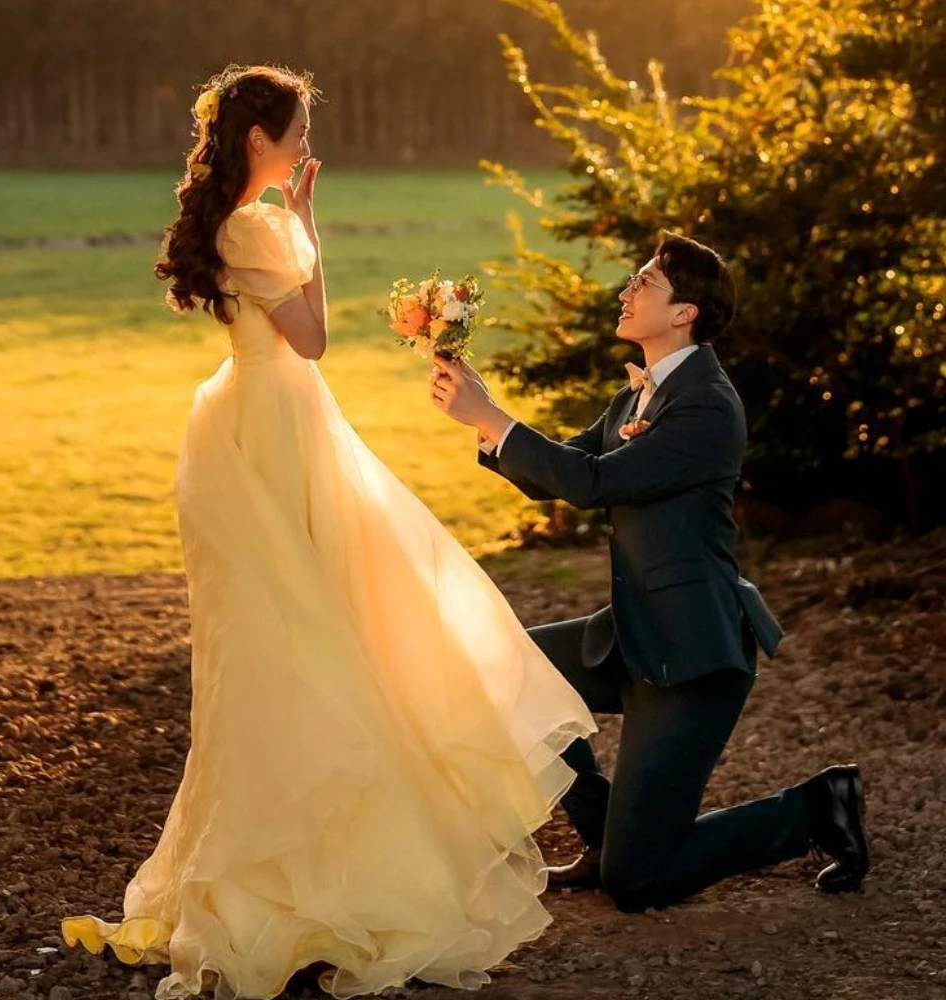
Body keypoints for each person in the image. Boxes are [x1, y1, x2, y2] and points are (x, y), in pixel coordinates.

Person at [59, 63, 596, 1000]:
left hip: (266, 420)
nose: (308, 143)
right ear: (261, 139)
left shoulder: (245, 219)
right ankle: (308, 873)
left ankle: (319, 860)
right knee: (305, 634)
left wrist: (301, 228)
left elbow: (298, 331)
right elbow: (310, 339)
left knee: (309, 628)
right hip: (274, 425)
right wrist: (309, 229)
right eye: (298, 129)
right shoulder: (251, 224)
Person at [430, 232, 870, 912]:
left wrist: (494, 417)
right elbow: (560, 477)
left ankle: (815, 810)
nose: (625, 290)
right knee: (502, 672)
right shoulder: (631, 398)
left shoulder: (707, 406)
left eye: (644, 282)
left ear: (684, 312)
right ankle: (610, 834)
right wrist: (484, 419)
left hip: (690, 655)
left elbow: (595, 483)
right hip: (632, 632)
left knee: (640, 885)